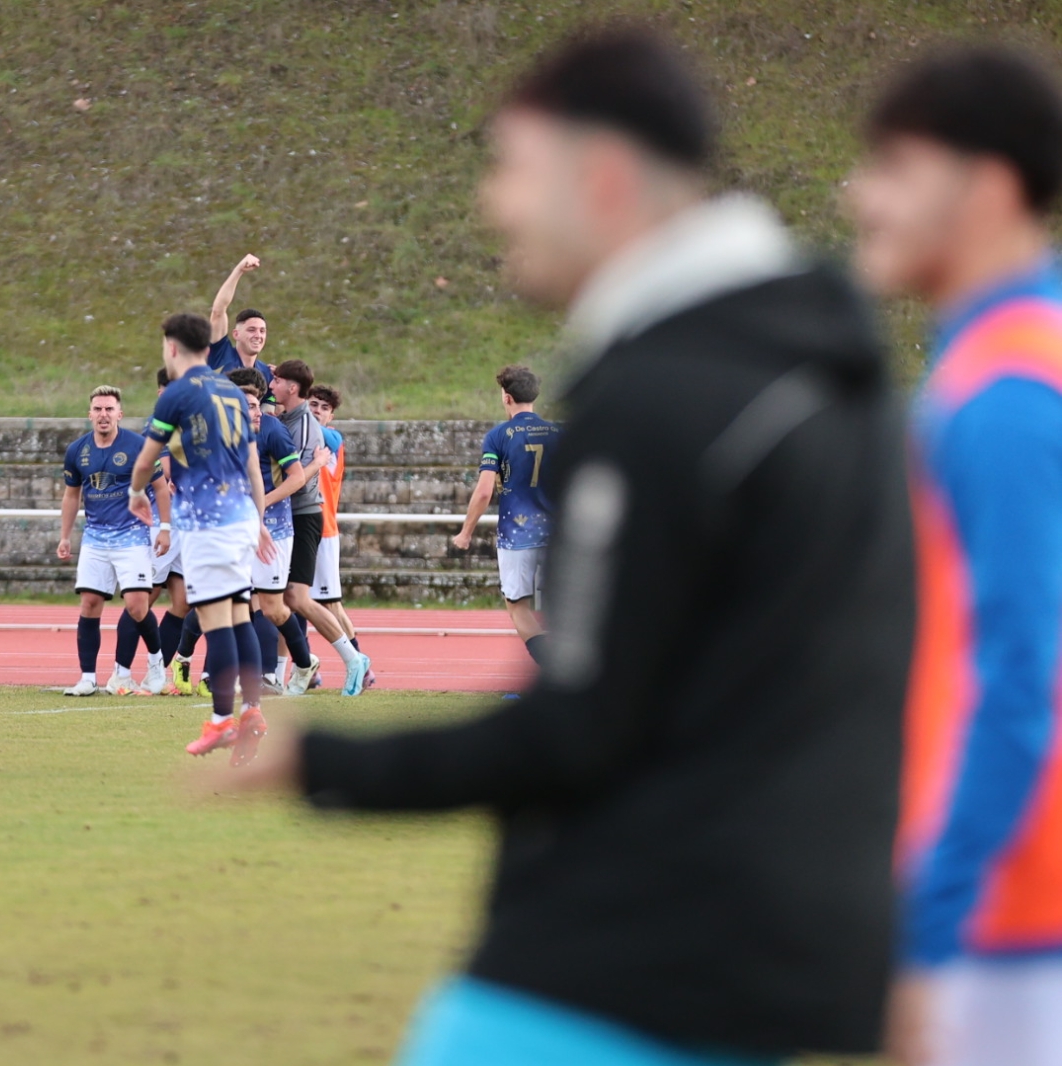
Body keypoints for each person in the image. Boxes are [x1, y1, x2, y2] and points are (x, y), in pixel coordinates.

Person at [230, 27, 916, 1065]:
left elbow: (576, 730)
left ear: (598, 177)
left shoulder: (663, 397)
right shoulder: (820, 369)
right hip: (768, 951)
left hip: (616, 966)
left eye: (509, 168)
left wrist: (320, 762)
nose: (490, 204)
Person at [848, 45, 1062, 1066]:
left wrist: (923, 925)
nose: (859, 195)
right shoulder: (1018, 358)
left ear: (983, 184)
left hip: (1013, 921)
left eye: (890, 165)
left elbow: (1022, 682)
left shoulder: (1004, 391)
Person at [131, 312, 276, 764]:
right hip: (238, 519)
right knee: (237, 613)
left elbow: (146, 458)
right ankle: (251, 710)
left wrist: (137, 493)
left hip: (206, 525)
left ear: (172, 347)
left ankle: (221, 720)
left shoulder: (176, 395)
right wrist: (258, 519)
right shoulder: (234, 392)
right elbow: (253, 464)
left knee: (217, 620)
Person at [58, 385, 171, 697]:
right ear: (89, 413)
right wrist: (65, 536)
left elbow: (161, 489)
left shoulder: (139, 446)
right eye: (98, 409)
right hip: (95, 538)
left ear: (120, 413)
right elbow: (71, 496)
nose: (103, 415)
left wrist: (165, 528)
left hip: (132, 537)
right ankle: (88, 678)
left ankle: (156, 661)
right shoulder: (77, 450)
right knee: (90, 604)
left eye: (109, 409)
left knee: (137, 606)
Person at [271, 359, 370, 696]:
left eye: (277, 381)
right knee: (284, 600)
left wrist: (263, 500)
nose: (271, 386)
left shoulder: (316, 430)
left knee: (306, 600)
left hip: (309, 519)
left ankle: (354, 659)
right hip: (291, 517)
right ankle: (292, 670)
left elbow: (298, 477)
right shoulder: (287, 418)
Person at [453, 367, 561, 663]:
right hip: (558, 534)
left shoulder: (499, 436)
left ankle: (549, 670)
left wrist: (465, 533)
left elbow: (485, 491)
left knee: (518, 607)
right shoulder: (558, 433)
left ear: (507, 397)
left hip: (517, 535)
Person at [235, 375, 307, 694]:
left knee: (270, 606)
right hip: (239, 528)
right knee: (245, 602)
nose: (249, 411)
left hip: (274, 530)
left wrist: (262, 504)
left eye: (252, 404)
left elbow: (297, 477)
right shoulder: (223, 432)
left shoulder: (272, 429)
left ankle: (297, 666)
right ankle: (260, 673)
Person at [306, 383, 374, 686]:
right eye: (312, 404)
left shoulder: (330, 440)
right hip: (299, 529)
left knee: (330, 604)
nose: (316, 411)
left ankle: (360, 662)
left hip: (322, 530)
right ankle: (306, 668)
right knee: (293, 602)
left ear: (331, 415)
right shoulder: (303, 434)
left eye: (323, 407)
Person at [146, 367, 190, 685]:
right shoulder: (157, 427)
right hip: (163, 524)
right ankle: (121, 669)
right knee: (143, 598)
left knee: (184, 603)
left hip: (189, 526)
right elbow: (168, 473)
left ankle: (160, 672)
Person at [207, 253, 275, 396]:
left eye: (262, 331)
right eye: (251, 330)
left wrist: (283, 378)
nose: (258, 335)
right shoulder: (220, 354)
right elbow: (218, 311)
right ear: (236, 334)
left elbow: (275, 407)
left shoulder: (267, 373)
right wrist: (239, 270)